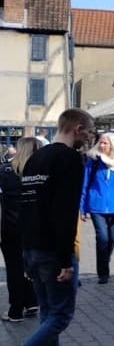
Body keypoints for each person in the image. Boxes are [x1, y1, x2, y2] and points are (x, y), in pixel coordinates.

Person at [5, 108, 96, 346]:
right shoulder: (69, 159)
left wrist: (25, 253)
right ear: (79, 128)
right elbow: (65, 212)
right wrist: (65, 261)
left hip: (31, 247)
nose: (90, 138)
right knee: (59, 316)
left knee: (48, 316)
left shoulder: (35, 159)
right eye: (89, 132)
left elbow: (27, 208)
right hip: (51, 250)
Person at [80, 132, 114, 284]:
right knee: (102, 238)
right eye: (101, 143)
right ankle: (103, 272)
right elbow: (84, 184)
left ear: (113, 145)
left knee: (113, 238)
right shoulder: (93, 161)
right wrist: (82, 208)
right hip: (96, 206)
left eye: (105, 143)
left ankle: (105, 260)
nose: (102, 146)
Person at [0, 137, 41, 322]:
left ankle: (16, 309)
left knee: (14, 267)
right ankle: (31, 300)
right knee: (28, 264)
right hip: (34, 225)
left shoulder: (6, 171)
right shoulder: (41, 172)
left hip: (11, 224)